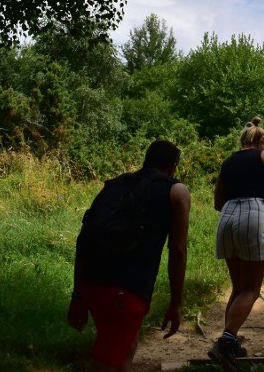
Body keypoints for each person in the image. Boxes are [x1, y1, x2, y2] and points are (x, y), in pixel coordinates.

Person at [67, 140, 191, 372]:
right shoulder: (177, 191)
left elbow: (84, 239)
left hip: (92, 284)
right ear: (173, 167)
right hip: (128, 292)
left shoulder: (114, 185)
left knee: (125, 345)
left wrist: (78, 294)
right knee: (106, 363)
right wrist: (176, 303)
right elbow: (178, 250)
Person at [209, 118, 264, 371]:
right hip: (253, 211)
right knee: (250, 289)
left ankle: (230, 340)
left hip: (227, 216)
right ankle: (226, 341)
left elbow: (217, 201)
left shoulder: (228, 161)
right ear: (260, 141)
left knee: (238, 287)